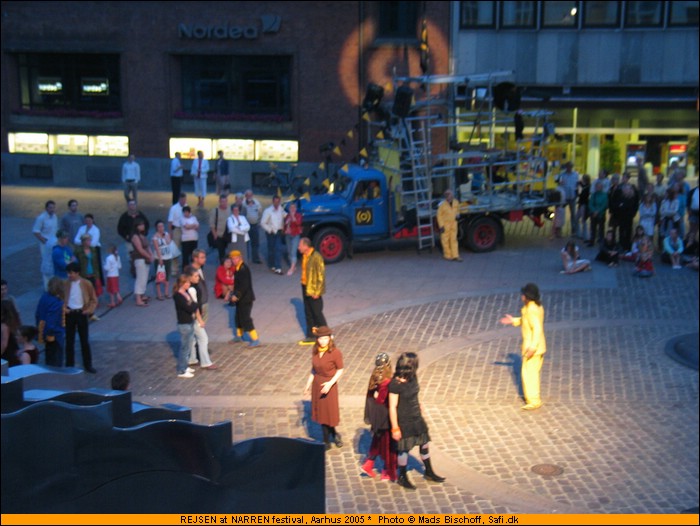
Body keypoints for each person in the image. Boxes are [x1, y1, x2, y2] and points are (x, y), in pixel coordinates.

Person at [388, 351, 445, 490]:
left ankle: (429, 471)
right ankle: (402, 476)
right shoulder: (395, 384)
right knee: (404, 450)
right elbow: (392, 406)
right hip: (404, 420)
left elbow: (414, 394)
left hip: (416, 417)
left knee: (424, 444)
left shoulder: (413, 377)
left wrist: (418, 405)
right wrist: (395, 428)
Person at [499, 283, 547, 410]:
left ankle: (534, 400)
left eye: (523, 295)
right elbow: (526, 320)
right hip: (538, 347)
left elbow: (537, 328)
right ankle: (533, 398)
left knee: (529, 374)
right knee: (531, 373)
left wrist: (532, 347)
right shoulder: (535, 307)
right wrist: (514, 320)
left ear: (527, 296)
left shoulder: (531, 310)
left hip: (533, 348)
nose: (521, 296)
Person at [303, 325, 344, 450]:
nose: (323, 341)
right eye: (320, 339)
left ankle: (332, 435)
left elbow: (340, 369)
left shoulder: (335, 352)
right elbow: (313, 370)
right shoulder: (315, 351)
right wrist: (307, 385)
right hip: (317, 385)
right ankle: (328, 439)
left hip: (329, 386)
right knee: (322, 414)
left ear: (330, 339)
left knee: (329, 413)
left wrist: (330, 383)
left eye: (325, 339)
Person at [361, 352, 398, 482]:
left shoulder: (375, 377)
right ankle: (386, 470)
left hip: (376, 417)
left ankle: (369, 464)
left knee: (377, 441)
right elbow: (383, 399)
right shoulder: (387, 381)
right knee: (387, 445)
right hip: (384, 417)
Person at [63, 262, 97, 373]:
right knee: (69, 341)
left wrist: (89, 310)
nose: (69, 275)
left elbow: (93, 299)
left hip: (81, 313)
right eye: (68, 273)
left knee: (84, 341)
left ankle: (88, 365)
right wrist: (64, 309)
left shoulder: (86, 284)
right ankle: (69, 365)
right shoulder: (65, 284)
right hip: (70, 313)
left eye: (71, 273)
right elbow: (61, 298)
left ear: (77, 273)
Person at [184, 265, 218, 369]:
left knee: (193, 338)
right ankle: (206, 362)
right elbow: (195, 306)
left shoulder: (190, 287)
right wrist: (200, 320)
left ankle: (192, 359)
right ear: (189, 277)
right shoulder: (192, 289)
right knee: (203, 338)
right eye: (195, 276)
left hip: (190, 318)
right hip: (194, 318)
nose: (198, 278)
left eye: (198, 276)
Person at [298, 237, 327, 345]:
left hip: (313, 289)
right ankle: (311, 335)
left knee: (317, 313)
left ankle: (326, 334)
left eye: (300, 245)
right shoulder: (305, 256)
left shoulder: (316, 257)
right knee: (308, 312)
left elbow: (321, 275)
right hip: (305, 286)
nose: (298, 247)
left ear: (305, 246)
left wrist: (317, 291)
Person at [228, 250, 260, 346]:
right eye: (232, 259)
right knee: (238, 317)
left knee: (246, 318)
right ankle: (239, 335)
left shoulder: (243, 269)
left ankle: (255, 339)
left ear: (240, 258)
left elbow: (244, 285)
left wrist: (236, 295)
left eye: (235, 258)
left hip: (246, 299)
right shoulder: (238, 268)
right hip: (241, 299)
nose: (234, 260)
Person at [35, 276, 65, 366]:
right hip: (54, 334)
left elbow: (37, 314)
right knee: (56, 359)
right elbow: (52, 320)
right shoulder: (56, 302)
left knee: (49, 357)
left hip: (43, 330)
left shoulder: (44, 297)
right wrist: (51, 333)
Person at [173, 274, 197, 379]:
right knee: (184, 348)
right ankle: (182, 370)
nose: (189, 284)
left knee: (188, 346)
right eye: (187, 282)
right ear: (181, 284)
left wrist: (193, 305)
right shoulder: (178, 296)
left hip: (189, 321)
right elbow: (190, 307)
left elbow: (193, 304)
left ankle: (185, 366)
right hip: (184, 324)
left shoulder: (186, 293)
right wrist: (193, 305)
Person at [117, 200, 149, 276]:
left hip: (140, 239)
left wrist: (144, 234)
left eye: (133, 204)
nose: (132, 206)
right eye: (130, 205)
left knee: (140, 254)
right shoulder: (124, 216)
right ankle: (134, 271)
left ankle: (140, 270)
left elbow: (147, 224)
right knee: (131, 256)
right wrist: (126, 236)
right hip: (130, 240)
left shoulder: (140, 215)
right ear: (128, 206)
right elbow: (120, 229)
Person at [33, 200, 59, 290]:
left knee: (53, 262)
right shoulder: (41, 218)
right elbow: (36, 231)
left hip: (54, 243)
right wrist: (45, 241)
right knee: (46, 263)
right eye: (50, 207)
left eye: (53, 207)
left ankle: (54, 284)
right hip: (45, 244)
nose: (52, 209)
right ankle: (46, 287)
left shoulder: (55, 216)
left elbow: (55, 230)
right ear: (46, 208)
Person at [76, 233, 103, 318]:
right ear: (83, 241)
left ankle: (91, 312)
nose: (89, 242)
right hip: (84, 275)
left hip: (93, 274)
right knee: (84, 294)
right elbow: (76, 263)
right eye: (87, 240)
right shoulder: (78, 251)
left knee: (92, 293)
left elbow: (96, 262)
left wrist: (97, 275)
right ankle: (84, 312)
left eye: (89, 240)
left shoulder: (93, 249)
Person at [261, 195, 286, 274]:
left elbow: (286, 216)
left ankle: (278, 267)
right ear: (273, 201)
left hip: (278, 232)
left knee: (278, 249)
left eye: (278, 202)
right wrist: (269, 229)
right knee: (271, 250)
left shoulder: (281, 210)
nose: (276, 203)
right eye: (275, 201)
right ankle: (272, 265)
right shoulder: (268, 211)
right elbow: (263, 223)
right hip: (271, 233)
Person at [130, 218, 153, 306]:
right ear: (136, 226)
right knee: (140, 278)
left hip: (145, 260)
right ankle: (138, 299)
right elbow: (140, 249)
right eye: (140, 225)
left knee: (145, 278)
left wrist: (151, 255)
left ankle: (142, 294)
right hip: (139, 259)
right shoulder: (135, 237)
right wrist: (149, 256)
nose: (142, 226)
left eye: (143, 224)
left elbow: (147, 247)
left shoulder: (142, 235)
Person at [436, 189, 461, 261]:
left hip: (453, 224)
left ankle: (455, 255)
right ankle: (447, 255)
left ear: (452, 195)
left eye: (449, 195)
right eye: (446, 195)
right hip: (445, 225)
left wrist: (458, 215)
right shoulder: (442, 205)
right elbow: (439, 215)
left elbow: (457, 210)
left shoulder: (456, 202)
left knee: (453, 240)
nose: (448, 197)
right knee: (445, 240)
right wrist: (441, 226)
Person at [152, 220, 173, 300]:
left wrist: (165, 236)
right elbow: (157, 249)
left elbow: (169, 242)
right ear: (156, 228)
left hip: (168, 257)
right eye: (159, 226)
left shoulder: (166, 234)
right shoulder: (155, 237)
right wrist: (160, 259)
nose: (161, 228)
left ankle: (166, 292)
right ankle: (159, 294)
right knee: (159, 276)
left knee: (167, 275)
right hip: (160, 258)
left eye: (162, 226)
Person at [557, 161, 579, 237]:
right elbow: (558, 183)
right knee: (560, 213)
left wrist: (576, 194)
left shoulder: (576, 174)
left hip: (572, 196)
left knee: (573, 214)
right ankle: (559, 229)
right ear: (566, 167)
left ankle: (574, 230)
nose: (569, 168)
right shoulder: (562, 175)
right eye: (568, 167)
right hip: (564, 197)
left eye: (570, 167)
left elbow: (576, 185)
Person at [168, 192, 187, 275]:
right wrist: (170, 233)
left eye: (185, 200)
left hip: (185, 229)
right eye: (182, 200)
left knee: (185, 249)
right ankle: (174, 269)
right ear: (179, 199)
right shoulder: (174, 208)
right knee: (175, 250)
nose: (183, 201)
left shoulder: (187, 206)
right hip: (177, 229)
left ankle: (184, 267)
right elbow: (170, 221)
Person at [242, 189, 263, 264]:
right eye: (247, 195)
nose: (249, 197)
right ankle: (246, 258)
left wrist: (259, 222)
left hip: (255, 225)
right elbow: (243, 214)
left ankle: (255, 258)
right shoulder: (243, 204)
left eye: (250, 195)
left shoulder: (257, 203)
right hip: (247, 227)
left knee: (255, 243)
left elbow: (260, 213)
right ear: (245, 196)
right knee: (246, 243)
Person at [209, 194, 230, 264]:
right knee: (221, 253)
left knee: (229, 252)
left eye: (225, 201)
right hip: (219, 235)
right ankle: (222, 267)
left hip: (228, 235)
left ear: (227, 201)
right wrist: (215, 235)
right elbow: (211, 225)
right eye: (222, 202)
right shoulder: (215, 211)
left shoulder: (230, 210)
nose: (223, 203)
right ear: (219, 202)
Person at [1, 299, 22, 366]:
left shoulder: (4, 326)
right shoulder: (11, 322)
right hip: (13, 352)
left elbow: (4, 345)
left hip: (7, 355)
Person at [284, 201, 303, 275]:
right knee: (289, 251)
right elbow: (285, 224)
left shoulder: (298, 215)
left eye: (294, 207)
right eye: (291, 207)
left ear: (296, 208)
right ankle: (293, 265)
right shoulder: (287, 216)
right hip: (288, 235)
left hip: (295, 234)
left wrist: (292, 216)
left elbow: (298, 223)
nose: (292, 209)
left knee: (293, 251)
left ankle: (292, 268)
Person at [587, 180, 608, 247]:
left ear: (602, 187)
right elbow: (590, 204)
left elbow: (604, 205)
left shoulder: (605, 195)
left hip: (601, 214)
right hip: (593, 214)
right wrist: (594, 211)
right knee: (593, 228)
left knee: (601, 228)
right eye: (597, 186)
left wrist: (598, 211)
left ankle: (601, 240)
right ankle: (592, 240)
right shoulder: (593, 195)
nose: (598, 188)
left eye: (599, 187)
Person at [575, 174, 591, 243]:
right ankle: (579, 233)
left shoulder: (587, 187)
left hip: (584, 204)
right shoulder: (585, 186)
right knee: (578, 218)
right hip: (581, 204)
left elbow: (582, 195)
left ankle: (585, 235)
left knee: (583, 220)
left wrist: (578, 193)